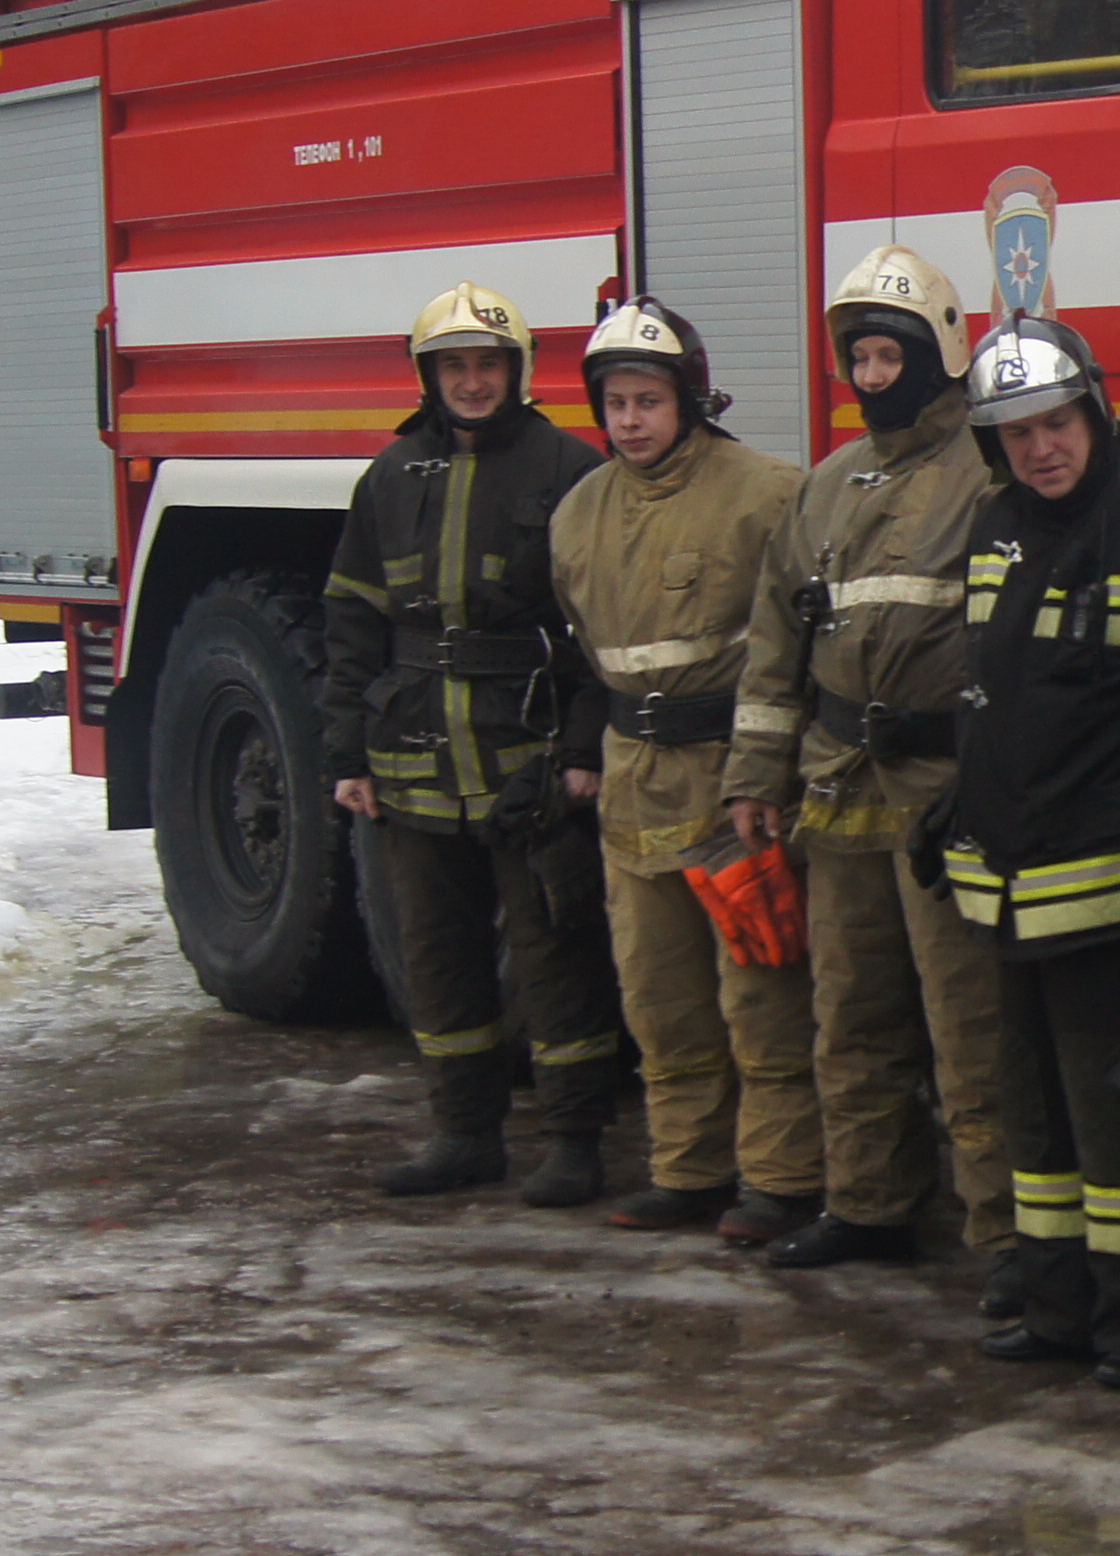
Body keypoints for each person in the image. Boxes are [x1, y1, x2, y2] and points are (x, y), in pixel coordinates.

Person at [929, 317, 1120, 1387]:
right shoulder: (995, 525)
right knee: (1040, 1120)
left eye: (1056, 422)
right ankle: (1061, 1308)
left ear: (1095, 412)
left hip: (1115, 893)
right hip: (1013, 888)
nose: (1040, 447)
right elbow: (994, 689)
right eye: (1015, 433)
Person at [722, 242, 1009, 1269]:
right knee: (850, 1015)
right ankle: (868, 1205)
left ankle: (1004, 1238)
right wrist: (756, 774)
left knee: (971, 1027)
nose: (874, 375)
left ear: (939, 354)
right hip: (839, 786)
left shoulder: (989, 471)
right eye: (861, 357)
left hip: (944, 794)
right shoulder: (828, 486)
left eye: (891, 355)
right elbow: (775, 639)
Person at [322, 283, 627, 1201]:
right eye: (453, 366)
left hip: (526, 761)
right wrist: (347, 754)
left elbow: (603, 628)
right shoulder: (389, 475)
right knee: (438, 959)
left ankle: (573, 1141)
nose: (471, 382)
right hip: (413, 762)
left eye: (487, 364)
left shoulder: (569, 468)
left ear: (516, 369)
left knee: (555, 958)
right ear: (428, 376)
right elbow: (352, 619)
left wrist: (583, 750)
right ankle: (463, 1135)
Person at [545, 297, 819, 1232]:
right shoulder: (578, 514)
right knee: (660, 999)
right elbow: (586, 652)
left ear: (691, 398)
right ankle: (688, 1170)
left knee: (762, 993)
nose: (631, 421)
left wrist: (768, 774)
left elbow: (798, 648)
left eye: (649, 401)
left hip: (731, 786)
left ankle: (782, 1180)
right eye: (616, 403)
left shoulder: (766, 494)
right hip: (634, 786)